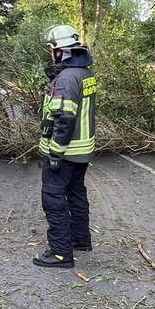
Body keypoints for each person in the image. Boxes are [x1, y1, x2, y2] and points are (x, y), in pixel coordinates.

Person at [34, 24, 97, 268]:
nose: (50, 54)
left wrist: (55, 153)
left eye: (51, 50)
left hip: (65, 151)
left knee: (53, 198)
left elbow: (65, 117)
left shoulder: (67, 78)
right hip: (82, 151)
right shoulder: (85, 73)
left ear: (60, 52)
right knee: (76, 194)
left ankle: (60, 254)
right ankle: (80, 239)